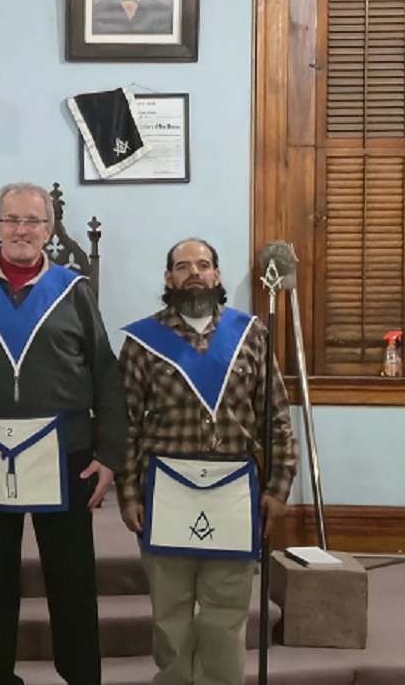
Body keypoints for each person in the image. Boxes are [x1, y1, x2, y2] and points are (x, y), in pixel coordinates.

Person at [0, 182, 126, 685]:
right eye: (12, 220)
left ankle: (81, 678)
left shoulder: (73, 289)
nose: (22, 230)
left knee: (72, 579)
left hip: (66, 453)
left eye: (33, 221)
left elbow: (105, 373)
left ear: (49, 229)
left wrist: (110, 453)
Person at [117, 238, 297, 685]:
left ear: (217, 274)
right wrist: (128, 493)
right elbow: (125, 425)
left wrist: (278, 487)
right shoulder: (142, 342)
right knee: (170, 614)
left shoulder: (251, 334)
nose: (193, 272)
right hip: (166, 490)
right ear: (168, 278)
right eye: (182, 266)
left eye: (203, 264)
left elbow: (276, 418)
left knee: (226, 612)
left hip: (233, 491)